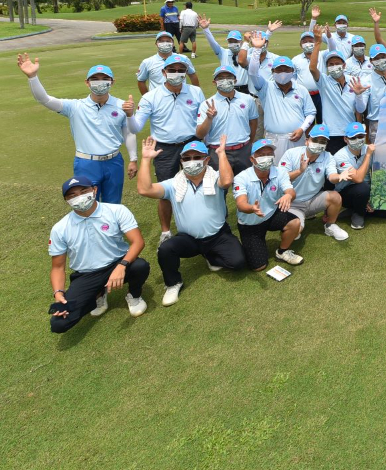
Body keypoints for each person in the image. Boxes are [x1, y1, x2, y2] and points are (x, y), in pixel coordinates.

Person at [136, 136, 246, 306]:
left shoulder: (215, 177)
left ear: (206, 160)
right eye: (187, 158)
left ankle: (211, 256)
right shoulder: (174, 184)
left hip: (217, 235)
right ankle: (173, 283)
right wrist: (145, 159)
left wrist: (221, 153)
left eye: (197, 157)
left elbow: (227, 181)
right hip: (189, 239)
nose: (191, 161)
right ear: (181, 161)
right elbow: (144, 189)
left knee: (238, 262)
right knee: (166, 249)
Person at [19, 55, 137, 203]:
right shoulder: (75, 107)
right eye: (95, 79)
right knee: (88, 204)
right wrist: (33, 77)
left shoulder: (123, 106)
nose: (100, 82)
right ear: (87, 83)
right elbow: (44, 99)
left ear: (112, 82)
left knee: (113, 203)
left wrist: (133, 159)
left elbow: (129, 133)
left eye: (105, 79)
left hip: (114, 162)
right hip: (86, 163)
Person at [48, 175, 149, 333]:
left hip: (118, 263)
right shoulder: (59, 228)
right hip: (86, 275)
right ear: (66, 200)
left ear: (94, 190)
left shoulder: (116, 211)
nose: (79, 197)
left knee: (140, 266)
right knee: (58, 324)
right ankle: (98, 295)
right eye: (72, 195)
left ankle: (134, 295)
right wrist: (58, 293)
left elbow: (138, 242)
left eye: (84, 191)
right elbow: (57, 267)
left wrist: (122, 266)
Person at [125, 54, 205, 245]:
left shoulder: (196, 92)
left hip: (191, 145)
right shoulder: (150, 97)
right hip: (164, 148)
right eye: (172, 70)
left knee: (199, 186)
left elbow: (202, 121)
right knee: (165, 192)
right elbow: (135, 128)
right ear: (164, 72)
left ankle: (199, 225)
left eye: (181, 70)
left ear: (186, 72)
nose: (177, 73)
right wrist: (129, 115)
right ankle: (166, 231)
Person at [231, 138, 304, 271]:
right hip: (250, 223)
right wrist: (252, 208)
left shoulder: (280, 172)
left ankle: (282, 252)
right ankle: (252, 244)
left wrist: (288, 195)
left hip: (271, 214)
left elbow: (290, 191)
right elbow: (241, 204)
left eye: (269, 154)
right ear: (252, 159)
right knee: (259, 266)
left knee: (295, 223)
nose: (266, 158)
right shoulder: (241, 178)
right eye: (261, 155)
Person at [281, 124, 350, 241]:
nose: (318, 144)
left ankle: (330, 225)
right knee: (294, 232)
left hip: (313, 200)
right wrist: (299, 171)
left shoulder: (328, 156)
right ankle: (296, 222)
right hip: (293, 204)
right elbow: (281, 179)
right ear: (307, 141)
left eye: (322, 142)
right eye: (315, 140)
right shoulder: (291, 153)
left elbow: (331, 176)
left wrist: (339, 176)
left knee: (335, 197)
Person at [307, 33, 370, 154]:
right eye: (330, 64)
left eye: (337, 63)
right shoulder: (324, 82)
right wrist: (318, 43)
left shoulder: (354, 81)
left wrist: (358, 95)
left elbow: (360, 109)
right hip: (331, 133)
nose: (334, 66)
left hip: (350, 132)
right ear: (326, 67)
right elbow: (312, 68)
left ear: (344, 65)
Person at [245, 54, 315, 162]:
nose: (283, 73)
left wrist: (302, 129)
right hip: (274, 139)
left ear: (292, 71)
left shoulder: (301, 90)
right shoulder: (265, 87)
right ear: (272, 71)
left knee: (298, 168)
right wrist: (257, 50)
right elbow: (253, 73)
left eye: (286, 70)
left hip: (297, 138)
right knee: (275, 169)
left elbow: (310, 113)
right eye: (279, 70)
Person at [194, 65, 259, 175]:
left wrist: (249, 143)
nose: (225, 80)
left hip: (243, 151)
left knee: (244, 183)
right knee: (220, 184)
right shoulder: (207, 104)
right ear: (214, 82)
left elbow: (253, 122)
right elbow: (200, 134)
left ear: (235, 80)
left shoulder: (247, 99)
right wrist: (209, 118)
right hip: (217, 152)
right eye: (220, 78)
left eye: (229, 77)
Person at [331, 122, 375, 230]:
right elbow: (358, 179)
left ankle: (359, 208)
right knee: (362, 187)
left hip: (367, 190)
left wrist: (373, 197)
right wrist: (368, 155)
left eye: (360, 136)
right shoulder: (340, 156)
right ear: (345, 139)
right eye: (353, 137)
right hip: (347, 192)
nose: (357, 140)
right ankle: (358, 213)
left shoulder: (369, 148)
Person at [199, 19, 249, 93]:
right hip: (227, 88)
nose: (233, 43)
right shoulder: (223, 53)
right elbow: (213, 43)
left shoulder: (246, 53)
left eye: (235, 41)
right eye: (230, 41)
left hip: (245, 89)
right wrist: (206, 29)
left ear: (241, 42)